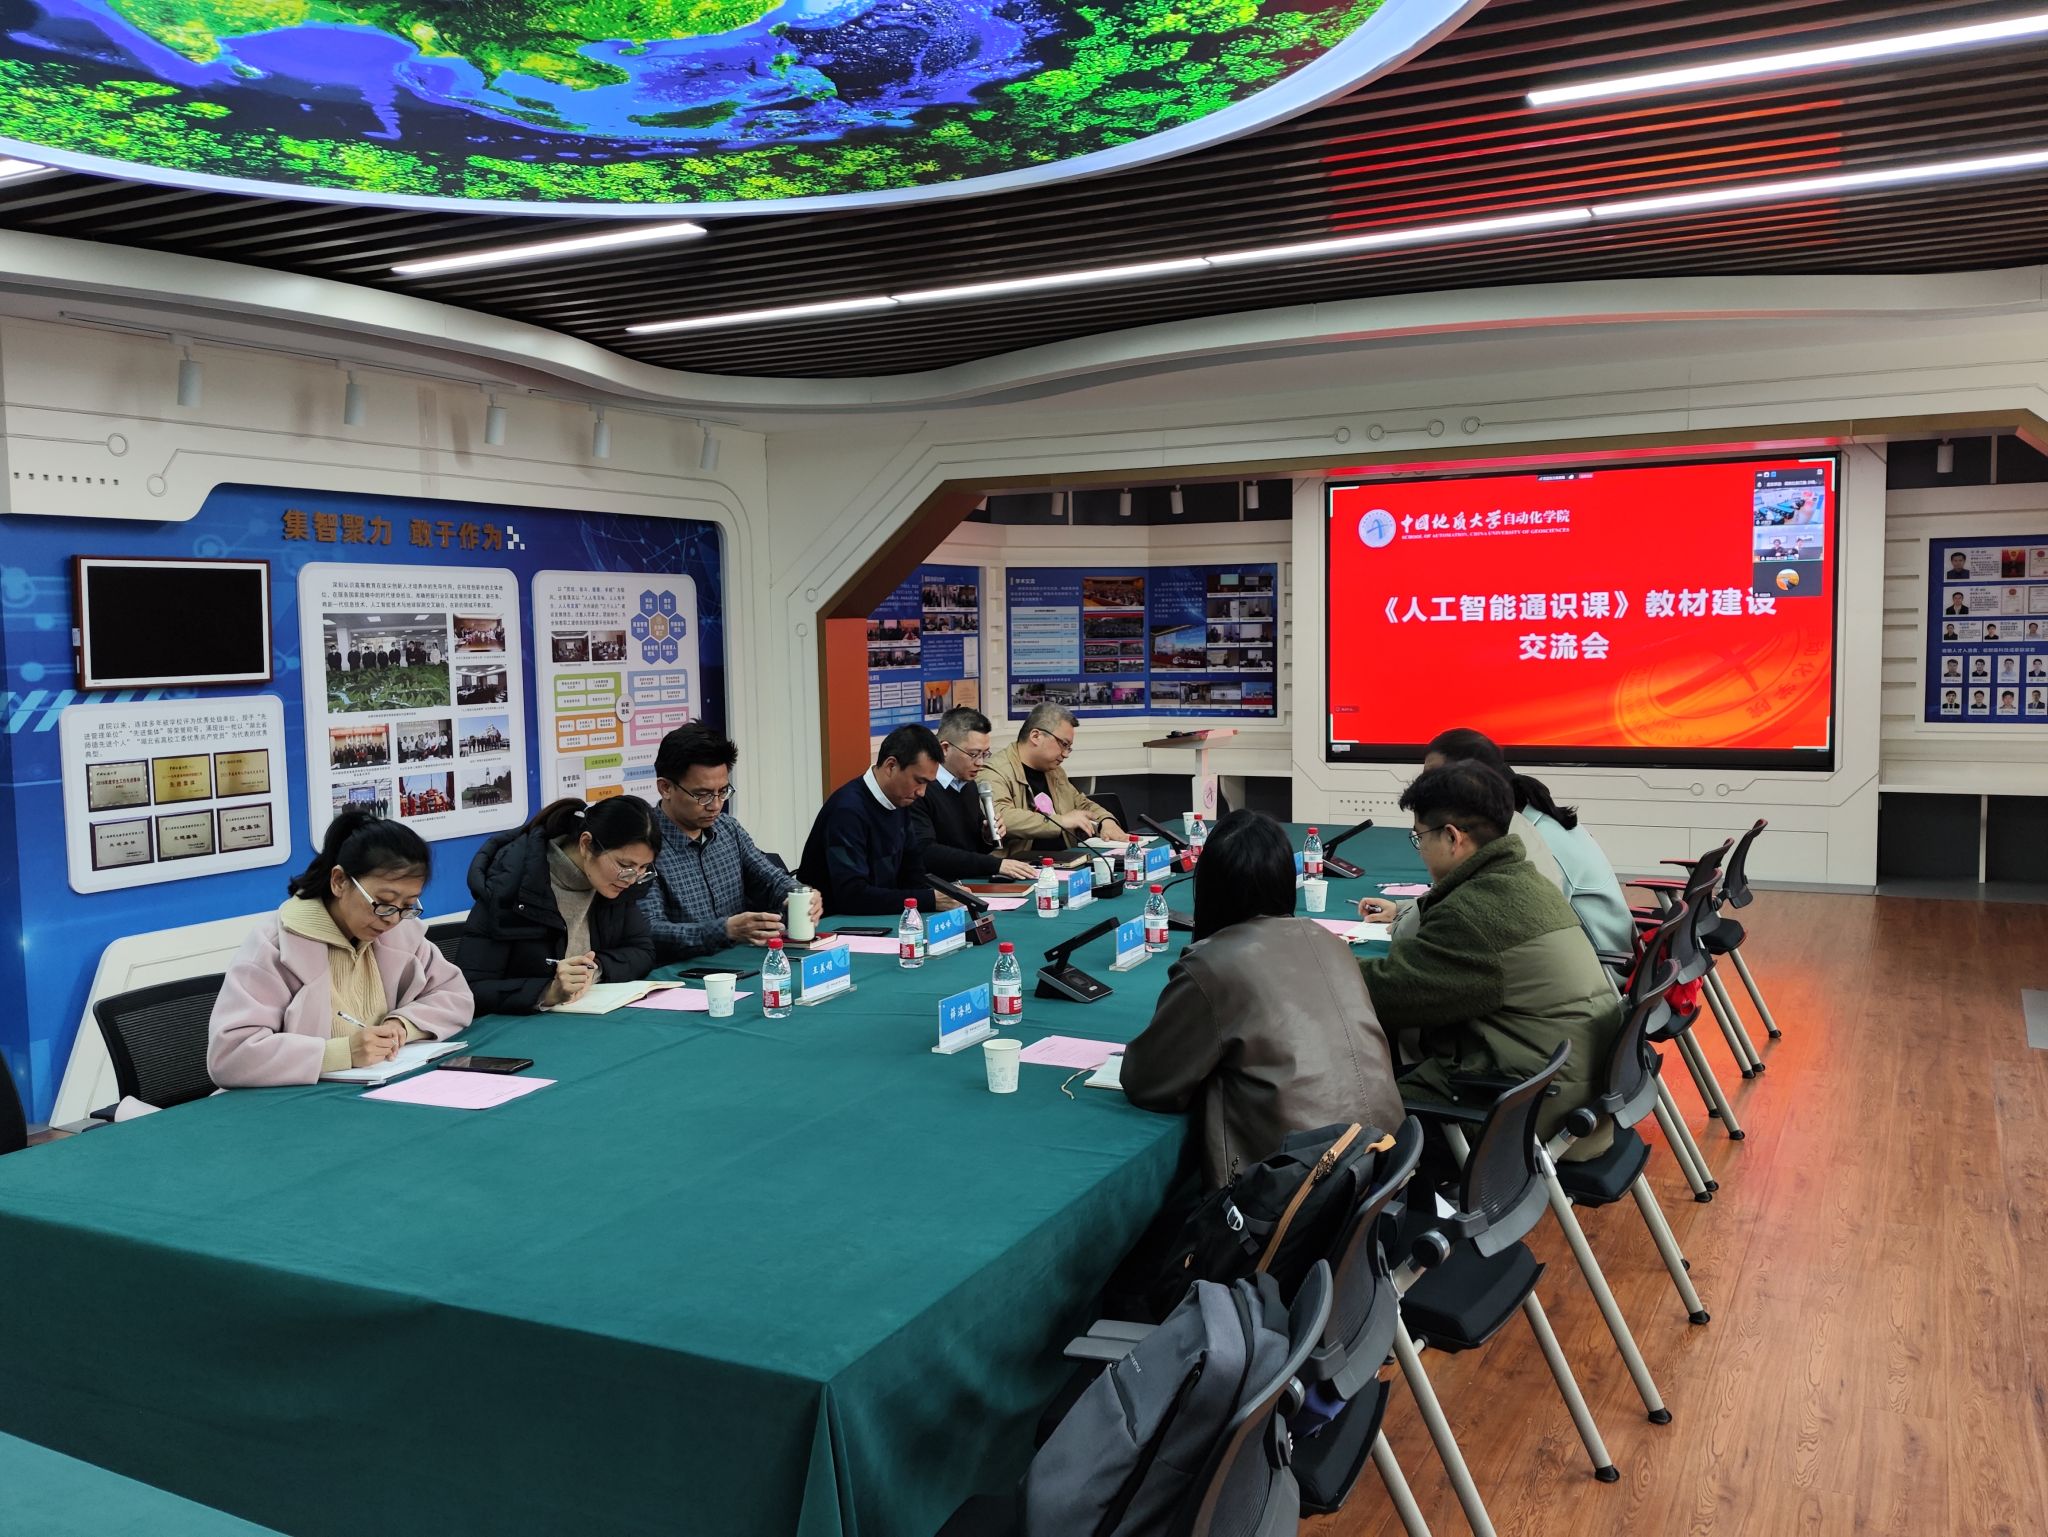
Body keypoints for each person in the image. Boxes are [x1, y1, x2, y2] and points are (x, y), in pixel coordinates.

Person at [1122, 811, 1402, 1189]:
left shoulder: (1213, 965)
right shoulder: (1330, 941)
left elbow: (1148, 1082)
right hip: (1384, 1172)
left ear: (1210, 888)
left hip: (1296, 1190)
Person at [1359, 762, 1622, 1151]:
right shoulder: (1525, 881)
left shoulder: (1473, 913)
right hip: (1575, 1101)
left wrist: (1322, 960)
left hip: (1525, 1117)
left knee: (1349, 1114)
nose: (1421, 850)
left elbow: (1391, 995)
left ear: (1453, 837)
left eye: (1420, 838)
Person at [209, 813, 472, 1087]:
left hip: (378, 1088)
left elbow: (455, 996)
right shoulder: (274, 946)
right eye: (383, 902)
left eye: (408, 905)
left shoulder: (400, 932)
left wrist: (402, 1026)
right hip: (289, 1100)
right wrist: (342, 1053)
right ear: (339, 881)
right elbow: (230, 1056)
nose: (393, 918)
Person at [1402, 727, 1633, 962]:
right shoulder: (1526, 820)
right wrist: (1405, 909)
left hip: (1602, 968)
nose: (1424, 788)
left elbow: (1507, 924)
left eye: (1434, 778)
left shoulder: (1533, 842)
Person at [460, 796, 659, 1014]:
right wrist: (547, 991)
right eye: (625, 865)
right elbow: (469, 989)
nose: (632, 879)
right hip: (521, 1025)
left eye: (643, 868)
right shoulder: (513, 886)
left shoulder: (617, 885)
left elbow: (642, 950)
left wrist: (594, 969)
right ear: (586, 844)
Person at [640, 723, 819, 960]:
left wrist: (801, 895)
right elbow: (651, 931)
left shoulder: (727, 829)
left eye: (723, 791)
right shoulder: (642, 847)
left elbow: (770, 879)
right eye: (702, 795)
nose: (716, 805)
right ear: (665, 788)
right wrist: (725, 930)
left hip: (743, 964)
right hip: (683, 973)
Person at [797, 724, 955, 914]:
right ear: (891, 766)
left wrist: (946, 895)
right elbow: (852, 896)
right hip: (833, 922)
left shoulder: (900, 800)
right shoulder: (847, 811)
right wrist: (929, 900)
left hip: (879, 916)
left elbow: (913, 875)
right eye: (919, 781)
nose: (922, 792)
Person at [908, 707, 1041, 884]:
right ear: (945, 748)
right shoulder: (919, 789)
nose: (980, 762)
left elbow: (970, 849)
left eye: (985, 754)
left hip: (969, 882)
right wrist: (994, 865)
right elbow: (927, 852)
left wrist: (986, 837)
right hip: (936, 887)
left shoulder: (969, 785)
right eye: (973, 754)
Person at [979, 703, 1127, 856]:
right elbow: (1000, 818)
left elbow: (1081, 803)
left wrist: (1105, 821)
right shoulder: (994, 772)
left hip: (1065, 860)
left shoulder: (1054, 771)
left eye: (1068, 748)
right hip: (1020, 864)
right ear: (1036, 736)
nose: (1065, 754)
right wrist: (1061, 821)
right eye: (1063, 744)